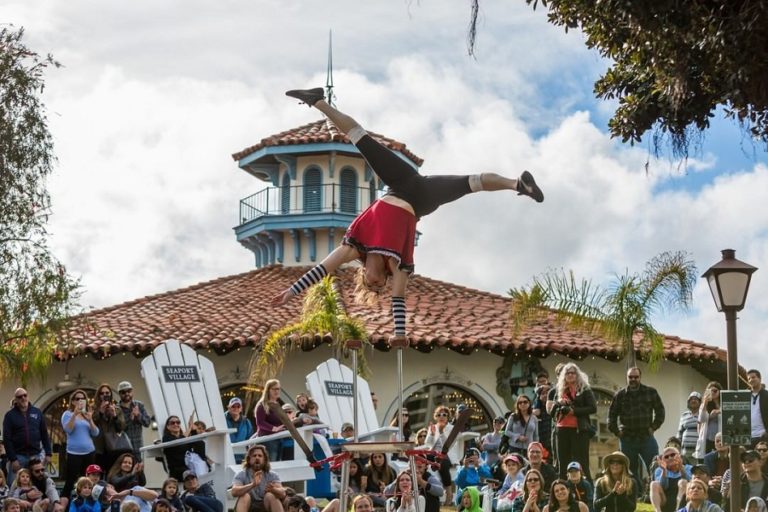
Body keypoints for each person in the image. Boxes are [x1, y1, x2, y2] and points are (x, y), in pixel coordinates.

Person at [274, 88, 544, 338]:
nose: (379, 283)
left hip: (399, 184)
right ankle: (518, 185)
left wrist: (291, 291)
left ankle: (317, 101)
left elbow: (322, 268)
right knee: (471, 183)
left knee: (359, 137)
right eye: (381, 287)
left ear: (364, 276)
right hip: (421, 200)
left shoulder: (354, 249)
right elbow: (398, 300)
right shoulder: (397, 266)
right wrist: (399, 335)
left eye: (373, 284)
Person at [608, 367, 665, 478]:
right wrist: (617, 432)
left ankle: (654, 492)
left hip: (646, 437)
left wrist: (653, 427)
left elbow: (660, 412)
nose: (633, 379)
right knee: (629, 471)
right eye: (630, 377)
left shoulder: (650, 392)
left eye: (636, 377)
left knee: (655, 467)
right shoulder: (620, 395)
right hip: (627, 439)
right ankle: (634, 494)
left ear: (640, 377)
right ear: (627, 378)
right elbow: (611, 416)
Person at [551, 363, 596, 480]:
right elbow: (552, 412)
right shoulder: (560, 390)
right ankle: (562, 488)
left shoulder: (584, 389)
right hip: (561, 428)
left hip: (579, 430)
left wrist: (573, 411)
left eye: (573, 373)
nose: (570, 375)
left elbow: (592, 408)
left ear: (577, 375)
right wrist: (559, 404)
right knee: (562, 462)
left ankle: (587, 490)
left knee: (581, 461)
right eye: (567, 373)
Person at [2, 388, 53, 484]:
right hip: (18, 457)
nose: (23, 398)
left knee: (40, 484)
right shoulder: (9, 416)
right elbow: (7, 439)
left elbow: (44, 434)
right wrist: (13, 459)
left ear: (28, 396)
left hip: (36, 456)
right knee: (13, 485)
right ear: (16, 400)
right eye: (20, 396)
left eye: (25, 395)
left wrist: (48, 453)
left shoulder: (37, 412)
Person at [61, 389, 100, 499]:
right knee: (70, 481)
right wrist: (75, 415)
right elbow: (68, 429)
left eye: (82, 399)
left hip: (89, 452)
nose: (80, 401)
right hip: (74, 453)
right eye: (77, 399)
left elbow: (96, 433)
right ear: (72, 402)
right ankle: (64, 506)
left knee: (88, 482)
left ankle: (88, 504)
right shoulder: (67, 414)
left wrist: (90, 420)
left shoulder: (87, 415)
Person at [231, 444, 286, 512]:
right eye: (254, 456)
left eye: (260, 456)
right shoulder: (241, 474)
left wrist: (273, 489)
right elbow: (234, 492)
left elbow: (283, 494)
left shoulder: (272, 475)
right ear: (249, 459)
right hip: (248, 506)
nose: (257, 458)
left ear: (264, 459)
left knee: (271, 496)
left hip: (265, 506)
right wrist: (252, 485)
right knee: (244, 496)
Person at [92, 385, 128, 473]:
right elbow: (91, 424)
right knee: (97, 475)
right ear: (98, 395)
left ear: (110, 394)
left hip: (114, 447)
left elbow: (122, 427)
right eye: (102, 393)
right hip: (98, 447)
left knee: (112, 473)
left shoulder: (117, 409)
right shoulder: (93, 409)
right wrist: (100, 412)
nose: (104, 395)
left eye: (107, 393)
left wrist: (114, 416)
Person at [161, 415, 208, 481]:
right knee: (191, 473)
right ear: (168, 427)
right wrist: (189, 428)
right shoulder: (166, 438)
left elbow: (197, 443)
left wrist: (193, 431)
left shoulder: (183, 438)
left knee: (200, 444)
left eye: (178, 422)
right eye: (172, 423)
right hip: (178, 469)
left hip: (189, 465)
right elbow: (178, 444)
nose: (176, 424)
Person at [424, 405, 455, 503]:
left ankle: (449, 492)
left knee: (443, 463)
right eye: (439, 414)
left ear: (448, 416)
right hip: (433, 453)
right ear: (435, 417)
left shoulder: (451, 428)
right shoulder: (433, 427)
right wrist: (432, 434)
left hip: (446, 453)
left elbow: (450, 444)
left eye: (444, 415)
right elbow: (428, 443)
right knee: (421, 458)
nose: (441, 416)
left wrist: (441, 432)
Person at [115, 382, 151, 463]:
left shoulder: (139, 405)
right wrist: (130, 419)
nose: (127, 393)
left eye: (129, 391)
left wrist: (138, 415)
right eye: (123, 392)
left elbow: (147, 423)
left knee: (140, 471)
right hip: (124, 447)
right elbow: (118, 429)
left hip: (139, 445)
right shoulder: (116, 409)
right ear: (119, 394)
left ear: (132, 391)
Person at [650, 447, 691, 512]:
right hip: (664, 499)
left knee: (683, 482)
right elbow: (662, 486)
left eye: (672, 455)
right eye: (666, 457)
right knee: (653, 484)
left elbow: (692, 483)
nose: (670, 458)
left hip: (683, 500)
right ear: (663, 460)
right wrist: (664, 471)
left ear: (679, 455)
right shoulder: (659, 470)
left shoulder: (689, 468)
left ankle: (678, 510)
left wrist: (681, 468)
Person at [253, 380, 285, 462]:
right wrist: (274, 428)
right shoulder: (262, 405)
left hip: (278, 439)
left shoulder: (277, 404)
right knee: (270, 466)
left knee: (277, 465)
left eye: (278, 389)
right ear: (268, 390)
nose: (277, 391)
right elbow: (260, 422)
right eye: (274, 389)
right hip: (267, 440)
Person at [694, 383, 721, 461]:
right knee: (707, 460)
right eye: (710, 391)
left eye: (715, 391)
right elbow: (701, 419)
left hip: (720, 439)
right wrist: (705, 402)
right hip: (707, 439)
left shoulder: (723, 403)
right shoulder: (704, 405)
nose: (712, 393)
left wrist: (718, 409)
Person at [226, 398, 254, 462]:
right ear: (228, 407)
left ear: (241, 408)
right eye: (233, 406)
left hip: (242, 457)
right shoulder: (222, 419)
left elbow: (250, 438)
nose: (236, 408)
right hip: (226, 456)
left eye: (238, 406)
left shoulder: (246, 422)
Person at [678, 392, 702, 465]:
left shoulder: (703, 414)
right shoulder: (684, 415)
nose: (693, 401)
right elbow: (679, 433)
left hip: (698, 451)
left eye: (696, 399)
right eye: (691, 399)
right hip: (685, 451)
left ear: (700, 402)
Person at [747, 370, 768, 446]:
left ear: (759, 379)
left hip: (762, 435)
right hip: (748, 436)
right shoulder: (745, 396)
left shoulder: (766, 395)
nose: (751, 380)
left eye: (753, 377)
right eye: (749, 378)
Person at [533, 383, 554, 458]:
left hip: (554, 440)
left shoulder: (556, 407)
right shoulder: (536, 410)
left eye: (547, 393)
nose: (545, 395)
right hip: (541, 442)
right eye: (543, 393)